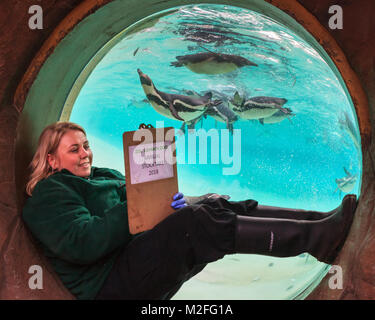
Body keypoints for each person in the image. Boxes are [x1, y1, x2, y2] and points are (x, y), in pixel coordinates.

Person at [22, 121, 357, 300]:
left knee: (212, 204)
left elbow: (141, 205)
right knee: (194, 225)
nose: (85, 154)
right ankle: (315, 241)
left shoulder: (104, 176)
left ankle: (319, 222)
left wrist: (186, 200)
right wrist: (142, 205)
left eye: (87, 145)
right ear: (51, 159)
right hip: (108, 284)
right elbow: (84, 242)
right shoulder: (50, 193)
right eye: (73, 149)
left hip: (133, 260)